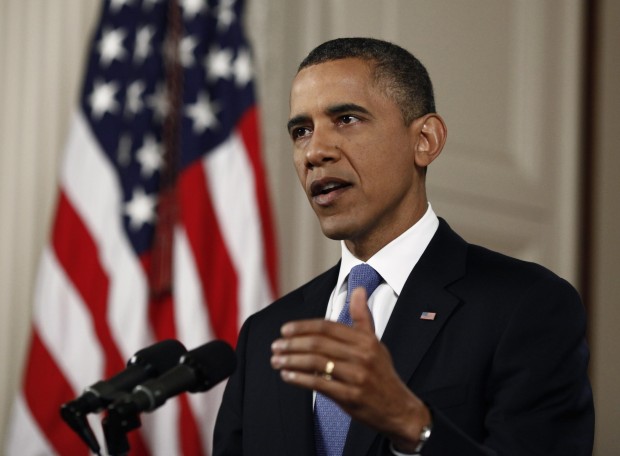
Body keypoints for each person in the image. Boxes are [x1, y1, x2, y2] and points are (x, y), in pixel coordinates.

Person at [213, 37, 594, 455]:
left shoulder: (526, 305)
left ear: (425, 140)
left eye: (346, 119)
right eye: (301, 131)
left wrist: (411, 424)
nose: (315, 151)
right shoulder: (266, 335)